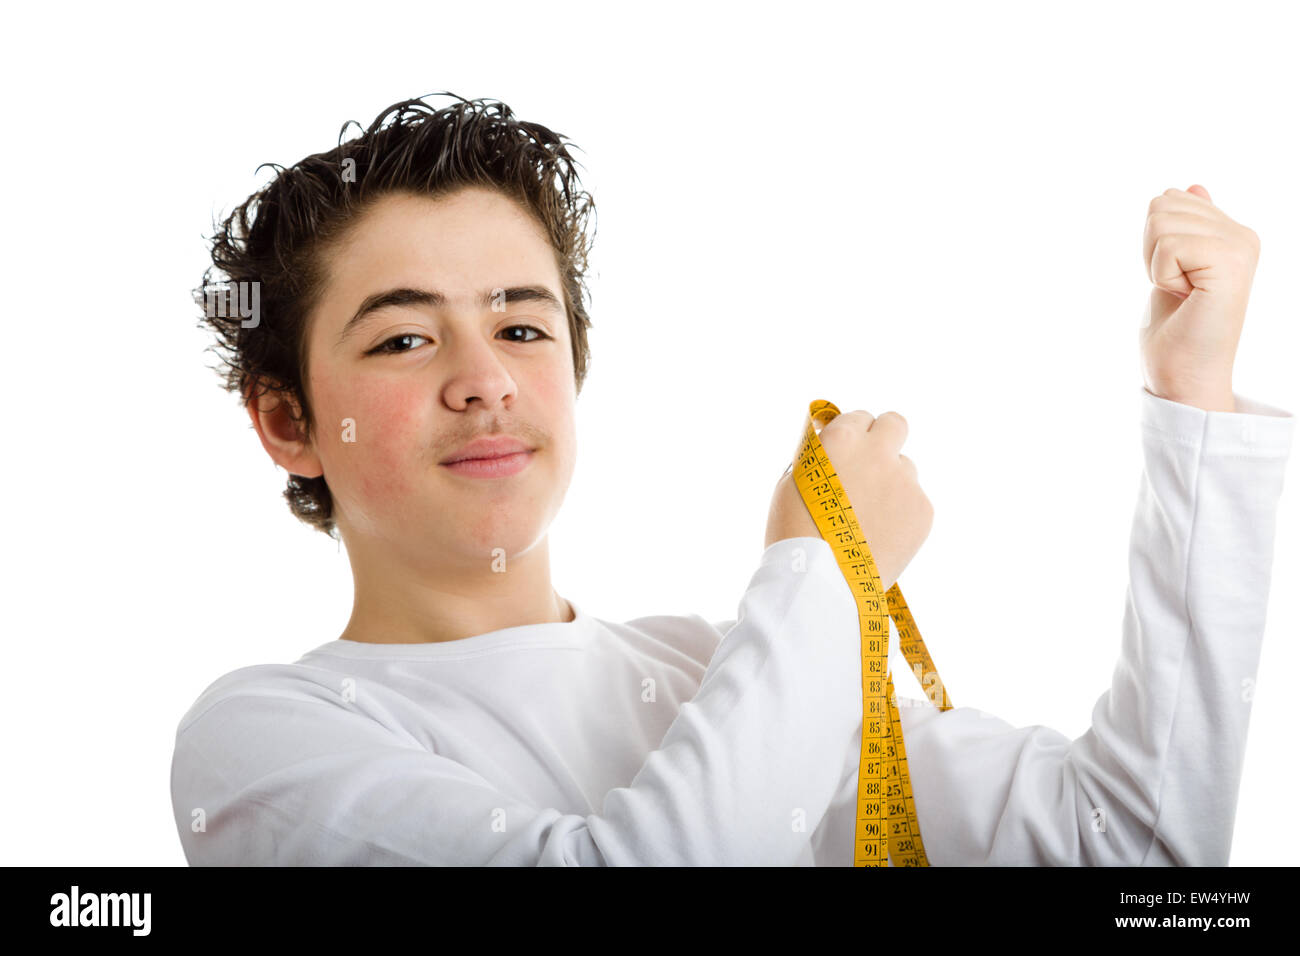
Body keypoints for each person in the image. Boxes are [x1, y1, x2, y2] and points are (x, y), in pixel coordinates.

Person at [172, 92, 1293, 865]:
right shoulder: (267, 734)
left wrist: (1191, 398)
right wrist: (816, 571)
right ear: (288, 421)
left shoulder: (721, 665)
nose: (485, 382)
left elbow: (1134, 853)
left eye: (521, 324)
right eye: (404, 340)